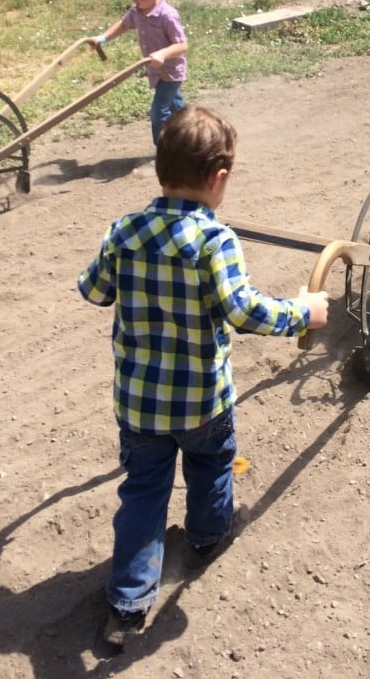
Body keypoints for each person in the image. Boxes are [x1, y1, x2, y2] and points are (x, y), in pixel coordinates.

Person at [77, 105, 329, 648]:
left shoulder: (124, 231)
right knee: (212, 463)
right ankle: (209, 535)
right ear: (219, 179)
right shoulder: (215, 241)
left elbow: (93, 291)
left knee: (143, 490)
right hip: (202, 403)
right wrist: (303, 311)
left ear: (159, 170)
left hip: (139, 403)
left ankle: (127, 603)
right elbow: (244, 312)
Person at [89, 0, 188, 145]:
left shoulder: (167, 15)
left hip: (171, 73)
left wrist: (163, 54)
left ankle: (165, 152)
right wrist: (102, 38)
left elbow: (182, 46)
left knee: (158, 112)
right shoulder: (138, 10)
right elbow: (124, 24)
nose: (134, 2)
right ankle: (192, 135)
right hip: (156, 72)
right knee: (175, 109)